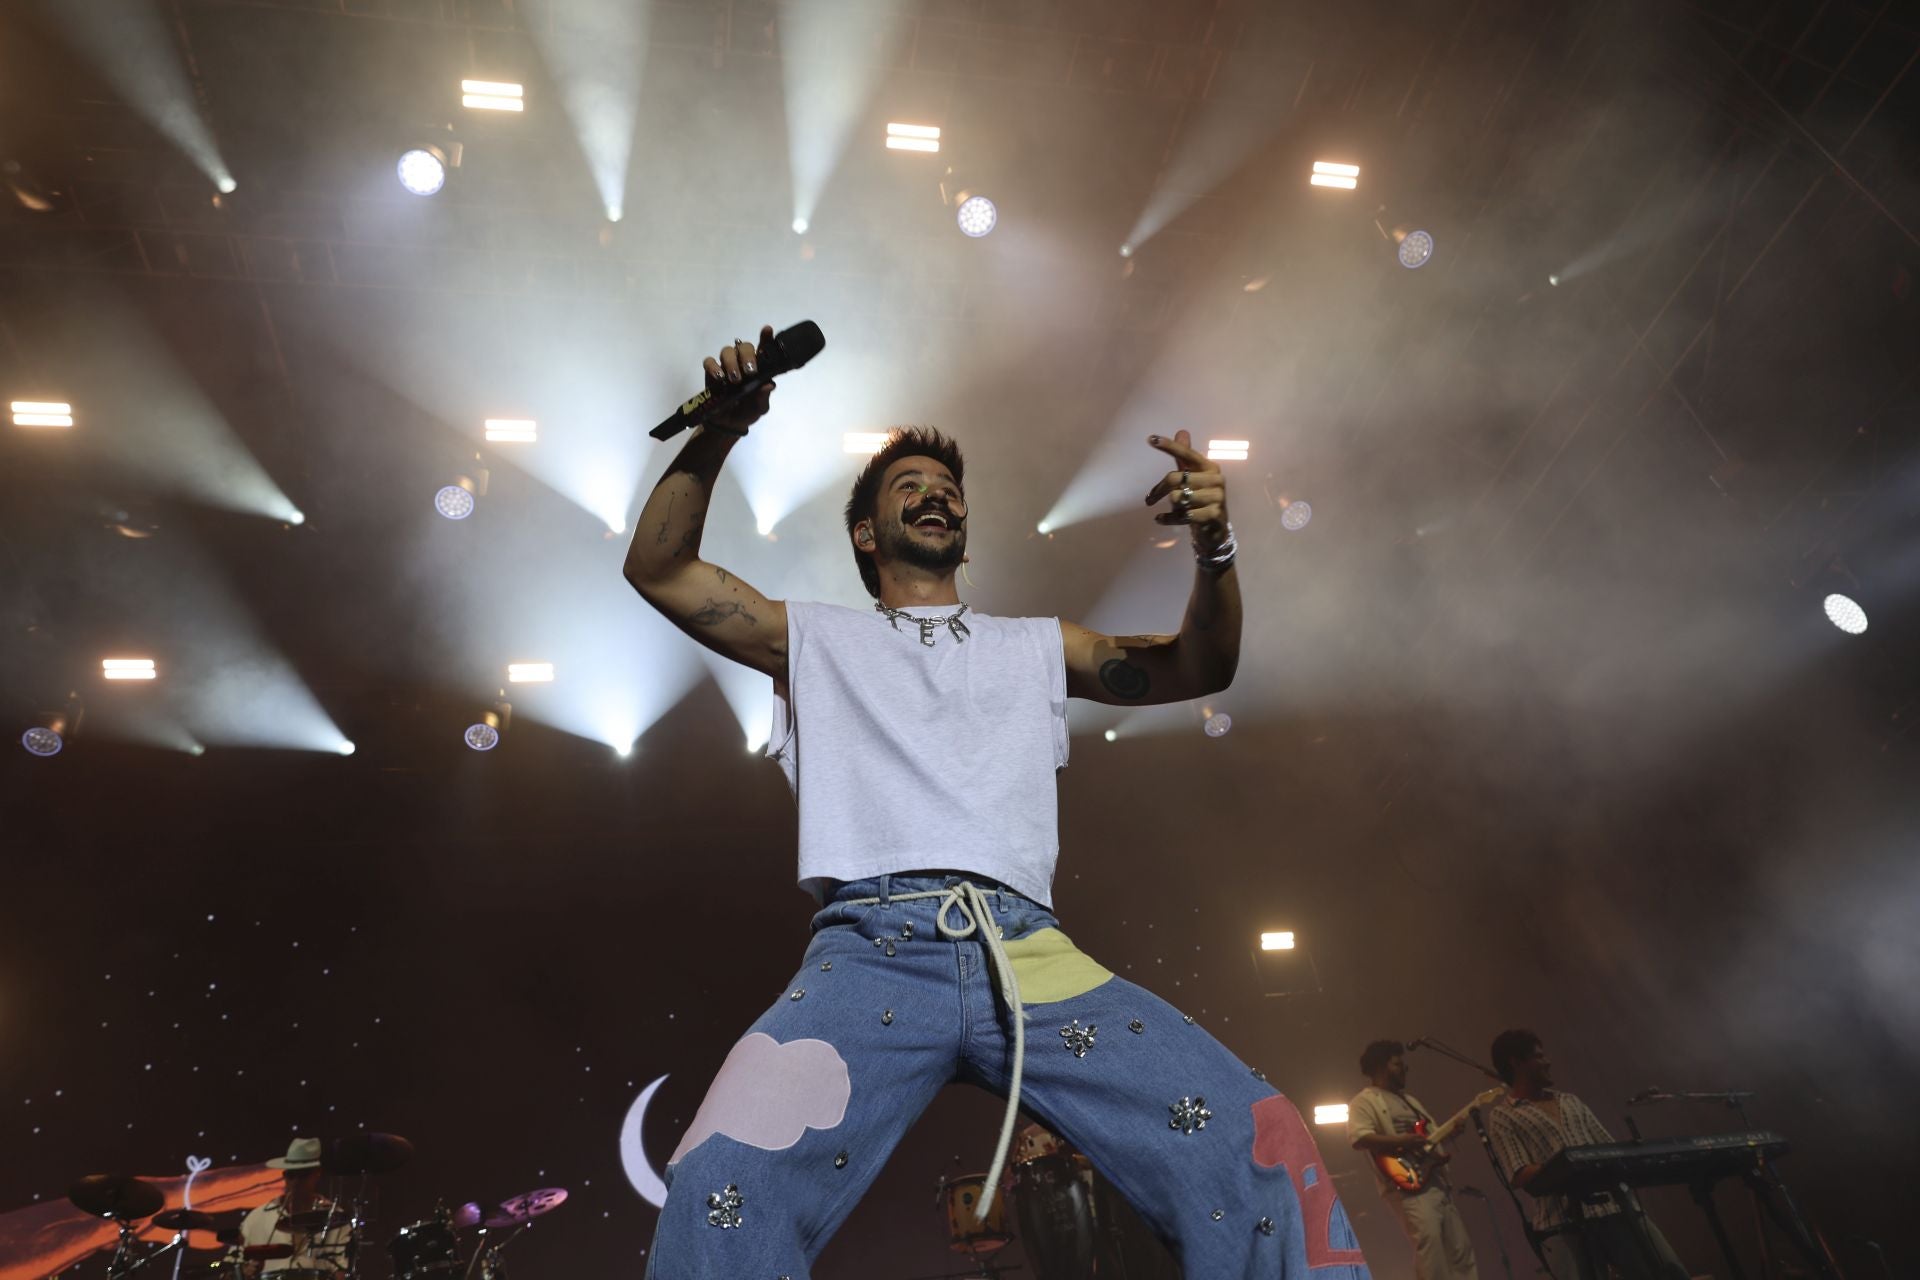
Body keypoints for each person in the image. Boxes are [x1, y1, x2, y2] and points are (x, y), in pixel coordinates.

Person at [622, 328, 1370, 1279]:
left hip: (1031, 955)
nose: (936, 492)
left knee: (1260, 1139)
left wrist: (1216, 549)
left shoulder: (1036, 646)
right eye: (908, 486)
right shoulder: (811, 639)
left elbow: (1199, 665)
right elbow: (660, 570)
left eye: (948, 486)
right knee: (719, 1182)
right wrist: (716, 434)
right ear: (866, 534)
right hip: (871, 953)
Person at [1483, 1030, 1688, 1280]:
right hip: (1561, 1224)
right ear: (1516, 1062)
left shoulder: (1571, 1101)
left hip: (1618, 1210)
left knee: (1670, 1272)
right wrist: (1573, 1164)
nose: (1547, 1061)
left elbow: (1609, 1149)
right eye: (1538, 1056)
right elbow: (1520, 1174)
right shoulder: (1503, 1116)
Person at [1346, 1040, 1479, 1280]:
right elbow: (1359, 1138)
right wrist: (1403, 1141)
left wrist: (1451, 1134)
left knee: (1460, 1251)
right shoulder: (1364, 1101)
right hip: (1407, 1184)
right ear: (1380, 1067)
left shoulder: (1412, 1102)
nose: (1404, 1068)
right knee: (1431, 1248)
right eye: (1397, 1063)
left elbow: (1428, 1143)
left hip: (1436, 1182)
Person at [237, 1138, 346, 1278]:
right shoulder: (256, 1218)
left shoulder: (335, 1218)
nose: (295, 1182)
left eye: (302, 1175)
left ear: (316, 1174)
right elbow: (233, 1265)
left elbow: (341, 1267)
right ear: (284, 1176)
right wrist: (244, 1272)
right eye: (291, 1175)